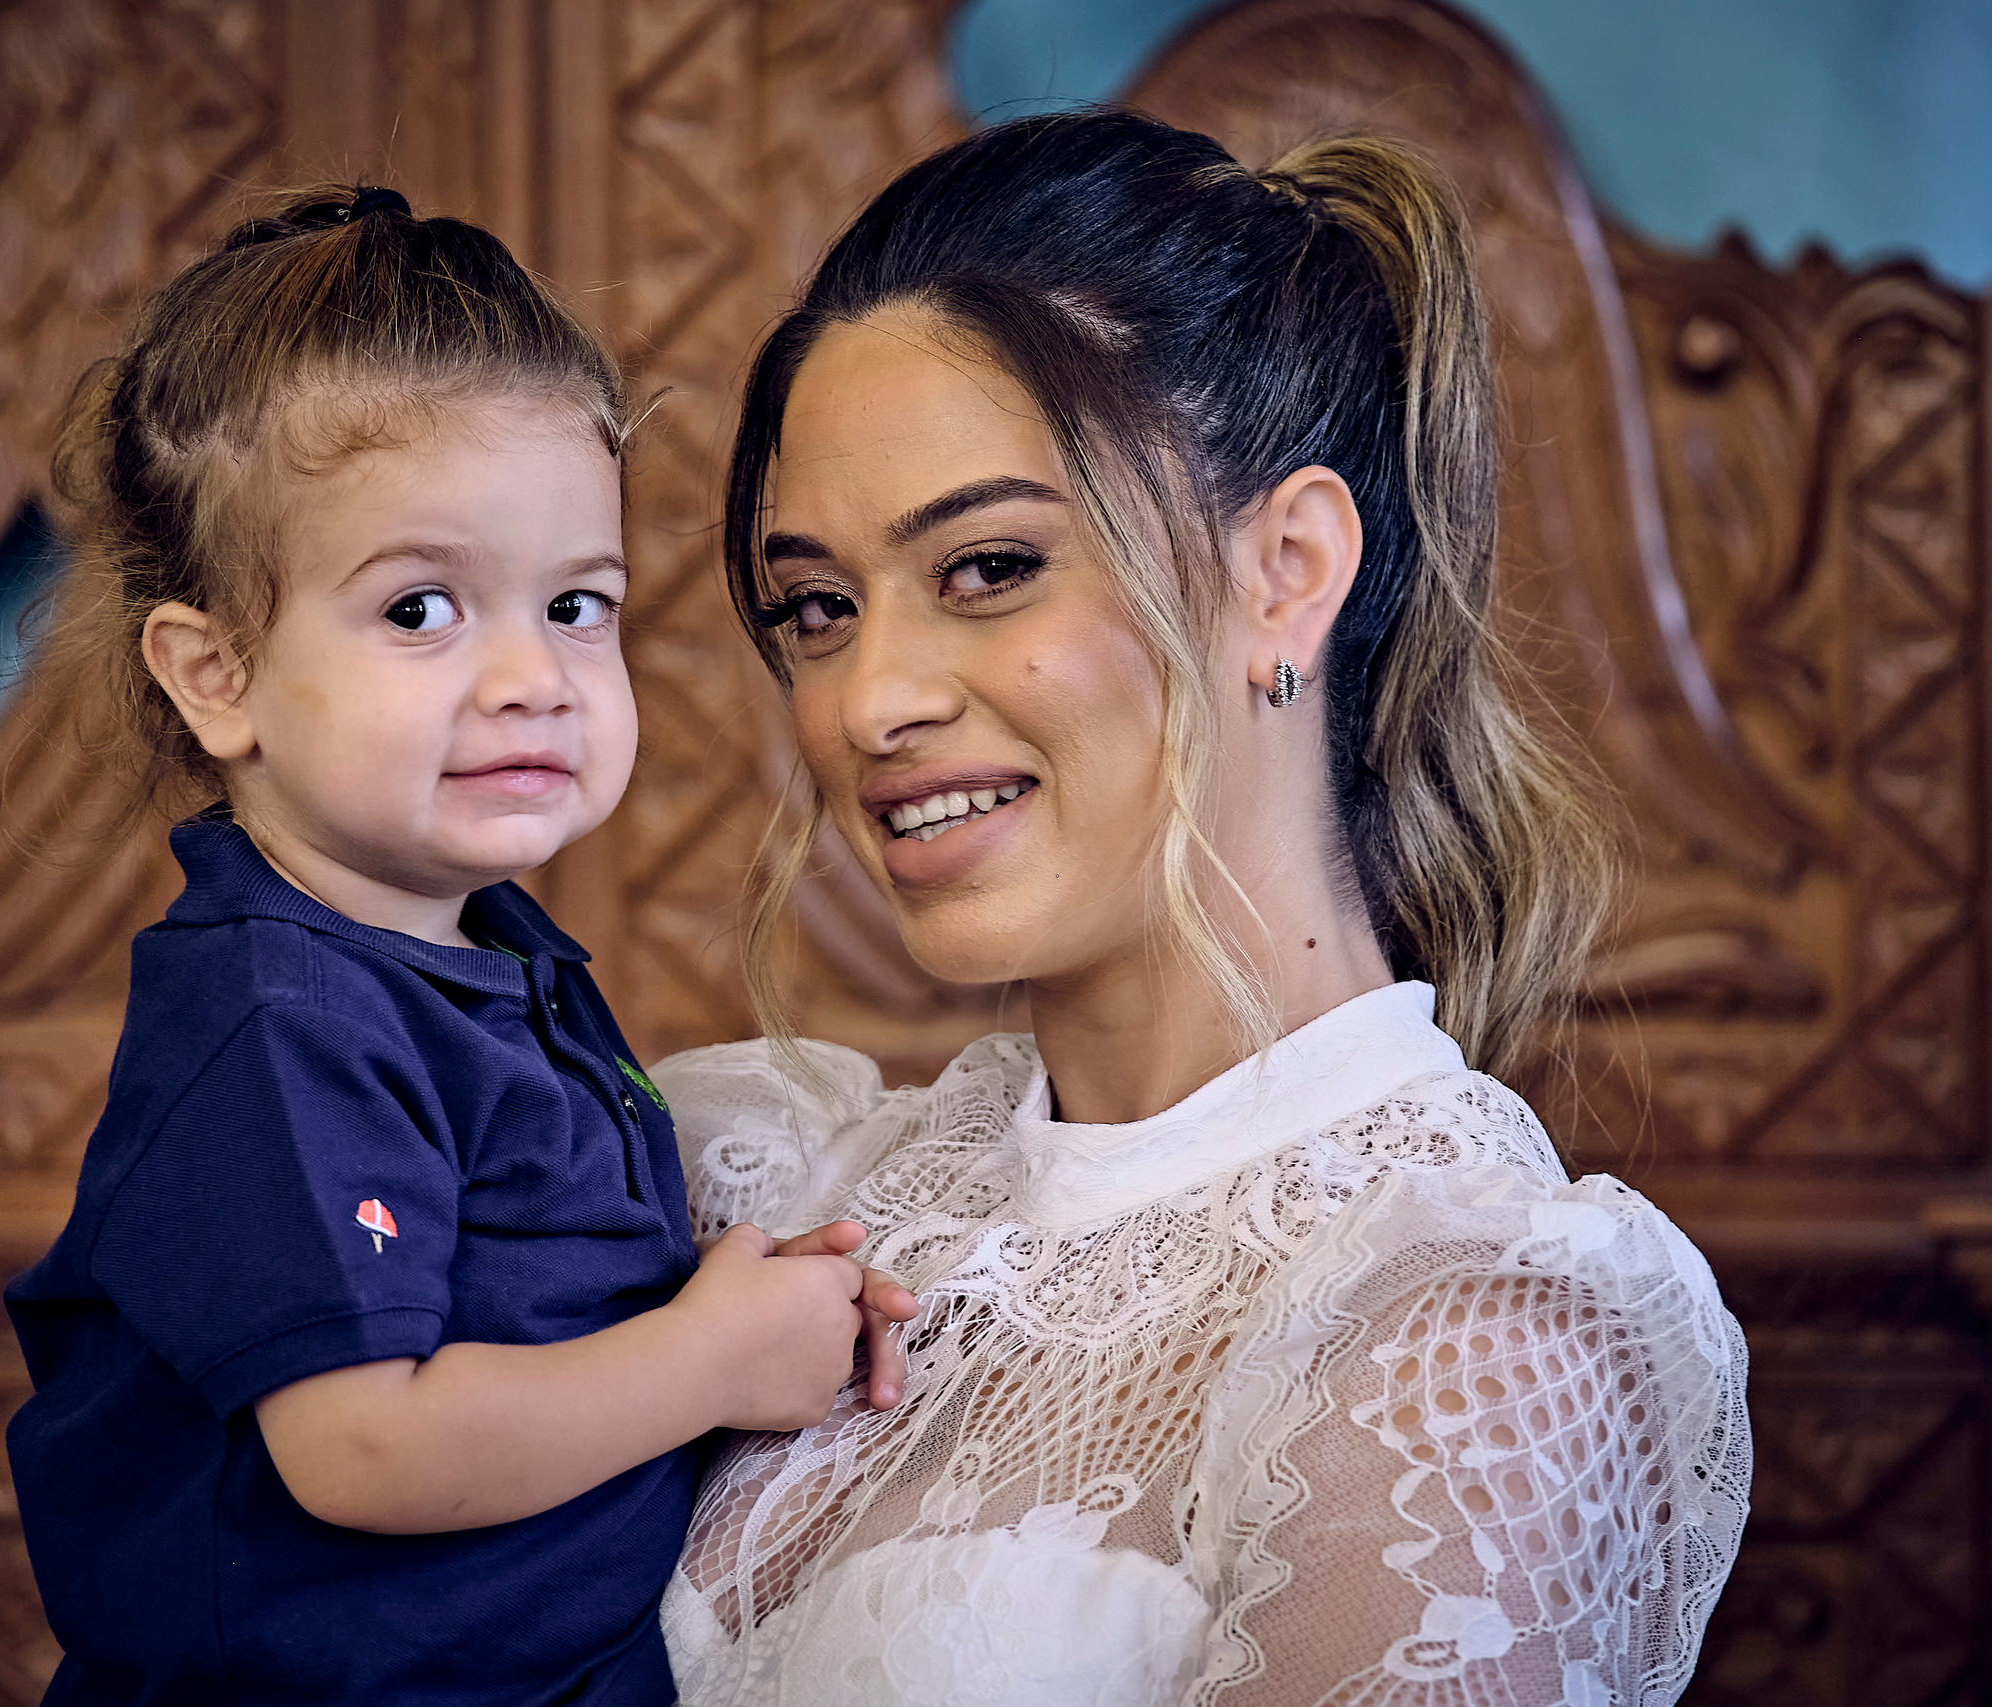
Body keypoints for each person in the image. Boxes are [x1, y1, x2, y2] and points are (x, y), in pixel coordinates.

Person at [654, 113, 1751, 1705]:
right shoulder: (769, 1182)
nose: (867, 701)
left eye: (988, 568)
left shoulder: (1467, 1334)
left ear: (1286, 570)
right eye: (817, 605)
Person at [2, 186, 912, 1706]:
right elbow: (366, 1444)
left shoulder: (481, 956)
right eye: (422, 608)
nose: (531, 676)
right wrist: (704, 1363)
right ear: (216, 674)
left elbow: (511, 1297)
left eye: (577, 605)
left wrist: (739, 1302)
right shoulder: (282, 1020)